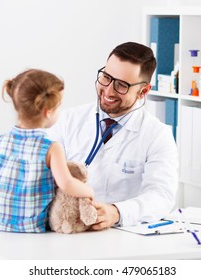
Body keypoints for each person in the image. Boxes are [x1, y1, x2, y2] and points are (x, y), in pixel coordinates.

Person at [47, 42, 178, 229]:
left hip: (120, 235)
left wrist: (117, 212)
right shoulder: (68, 120)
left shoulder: (157, 135)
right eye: (106, 78)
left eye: (122, 85)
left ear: (143, 91)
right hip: (66, 229)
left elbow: (161, 196)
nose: (108, 90)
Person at [0, 69, 94, 232]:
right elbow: (66, 183)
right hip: (30, 229)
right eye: (58, 107)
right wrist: (89, 191)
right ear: (48, 111)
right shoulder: (51, 147)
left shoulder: (0, 141)